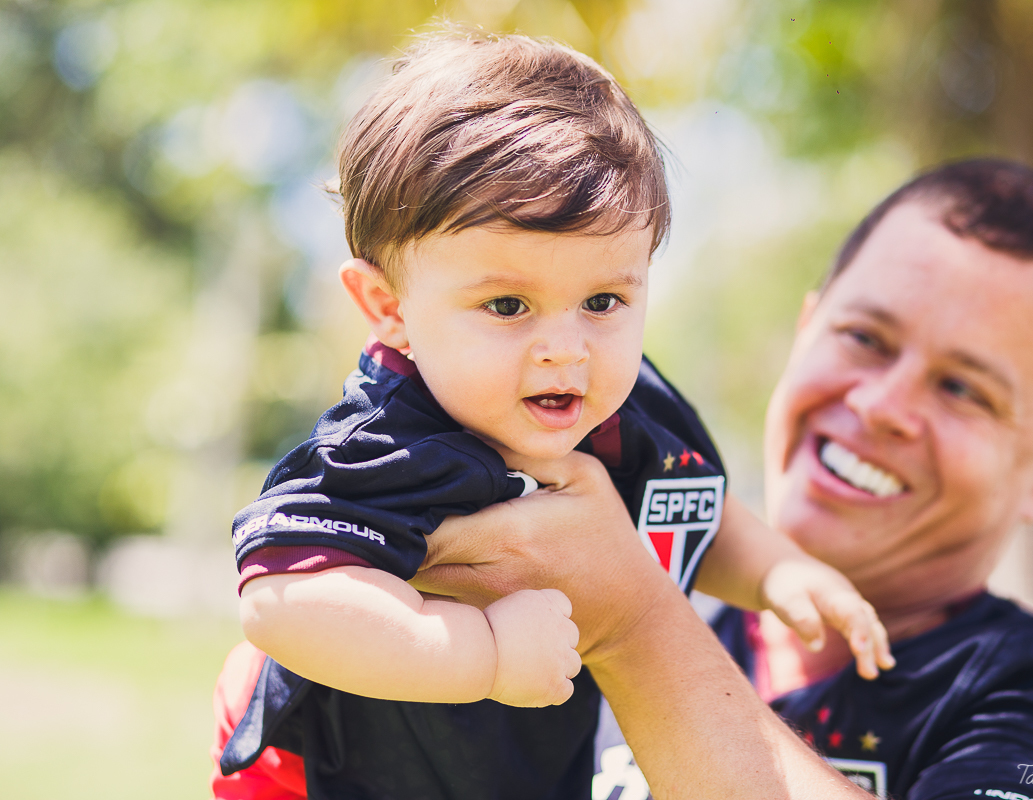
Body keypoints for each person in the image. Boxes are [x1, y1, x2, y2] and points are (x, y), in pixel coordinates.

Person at [209, 30, 892, 799]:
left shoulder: (630, 404)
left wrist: (779, 572)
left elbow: (689, 506)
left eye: (603, 301)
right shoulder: (390, 439)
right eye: (508, 305)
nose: (565, 350)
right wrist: (485, 652)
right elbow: (280, 600)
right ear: (388, 308)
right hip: (327, 778)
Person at [412, 159, 1033, 799]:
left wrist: (634, 621)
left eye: (963, 390)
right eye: (864, 338)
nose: (881, 407)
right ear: (805, 328)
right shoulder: (542, 643)